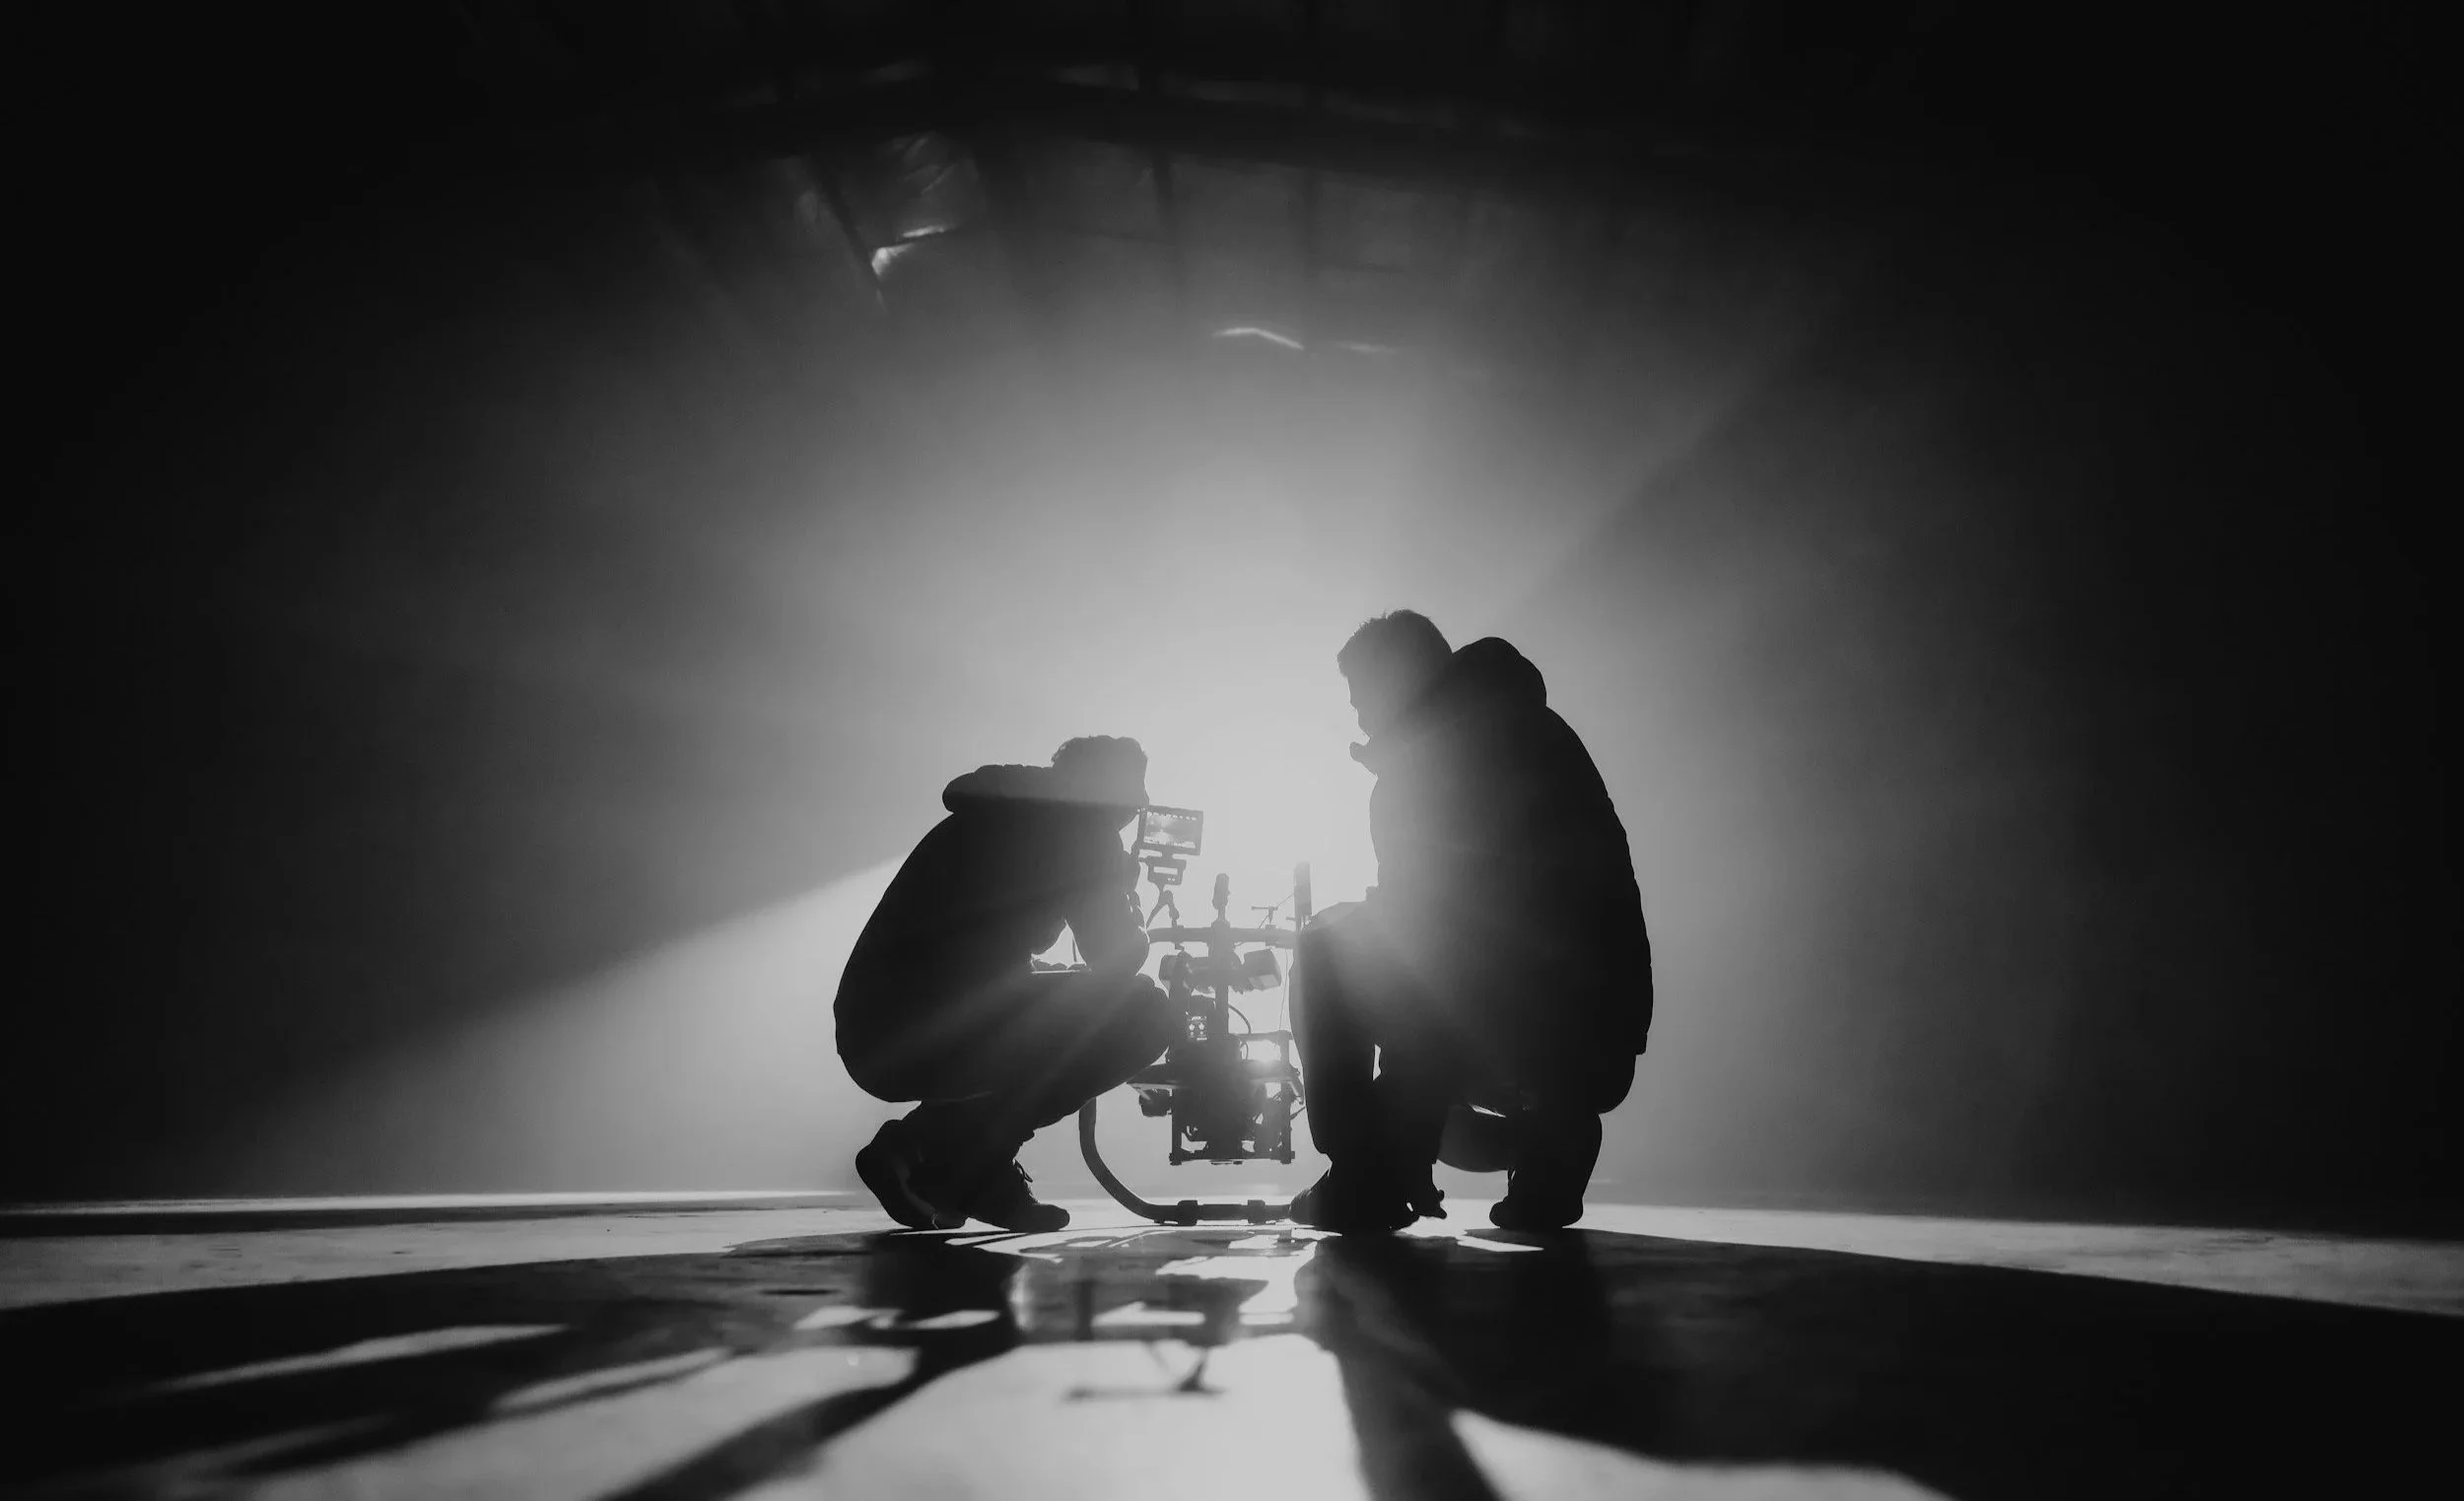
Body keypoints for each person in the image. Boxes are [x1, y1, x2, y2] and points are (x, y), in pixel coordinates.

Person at [1289, 611, 1651, 1232]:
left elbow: (1433, 943)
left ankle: (1363, 1172)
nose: (1358, 717)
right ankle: (1549, 1147)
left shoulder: (1431, 764)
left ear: (1394, 681)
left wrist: (1402, 1131)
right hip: (1596, 1042)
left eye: (1359, 696)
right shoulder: (1532, 730)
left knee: (1325, 943)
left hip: (1504, 1019)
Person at [837, 735, 1175, 1232]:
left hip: (873, 1032)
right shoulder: (1084, 830)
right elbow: (1117, 957)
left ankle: (945, 1162)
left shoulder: (991, 814)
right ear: (1101, 788)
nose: (1141, 803)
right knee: (1144, 1012)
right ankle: (940, 1156)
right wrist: (1126, 891)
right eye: (1133, 788)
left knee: (1082, 997)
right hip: (934, 1026)